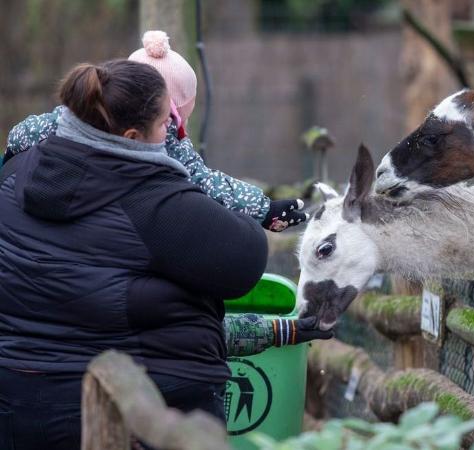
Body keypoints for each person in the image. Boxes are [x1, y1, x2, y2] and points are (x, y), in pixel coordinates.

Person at [0, 59, 326, 450]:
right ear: (134, 135)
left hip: (17, 403)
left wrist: (276, 330)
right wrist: (203, 187)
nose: (171, 142)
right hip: (139, 410)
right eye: (163, 129)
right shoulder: (152, 202)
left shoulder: (16, 172)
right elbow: (246, 258)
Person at [4, 30, 306, 232]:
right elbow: (206, 184)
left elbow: (23, 134)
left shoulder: (70, 118)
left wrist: (11, 161)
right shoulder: (163, 137)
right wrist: (264, 209)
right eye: (169, 119)